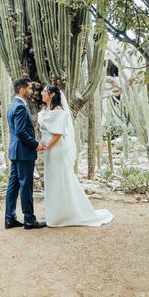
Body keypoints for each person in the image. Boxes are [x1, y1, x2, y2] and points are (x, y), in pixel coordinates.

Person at [39, 84, 114, 228]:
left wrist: (48, 146)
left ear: (52, 94)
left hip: (56, 150)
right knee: (51, 181)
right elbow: (45, 132)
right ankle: (55, 214)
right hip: (48, 150)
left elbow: (58, 133)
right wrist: (41, 145)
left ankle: (64, 215)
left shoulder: (59, 110)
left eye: (45, 91)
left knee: (60, 180)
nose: (42, 93)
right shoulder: (46, 111)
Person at [4, 77, 47, 230]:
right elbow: (22, 132)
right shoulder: (21, 107)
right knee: (25, 185)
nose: (31, 91)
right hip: (23, 153)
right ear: (22, 89)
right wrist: (36, 144)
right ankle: (29, 219)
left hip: (15, 152)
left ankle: (10, 219)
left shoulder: (11, 106)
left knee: (13, 185)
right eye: (29, 88)